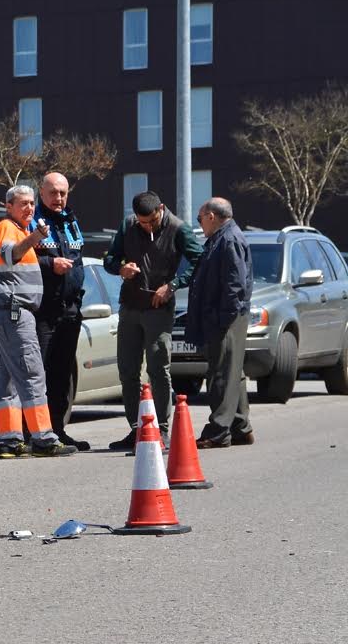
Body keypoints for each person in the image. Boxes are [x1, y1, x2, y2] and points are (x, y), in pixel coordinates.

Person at [102, 191, 204, 450]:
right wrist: (121, 268)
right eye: (142, 222)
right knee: (127, 371)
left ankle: (162, 427)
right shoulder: (128, 225)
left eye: (151, 220)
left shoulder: (179, 229)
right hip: (129, 306)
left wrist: (173, 285)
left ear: (161, 208)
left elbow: (199, 259)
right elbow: (110, 259)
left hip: (158, 308)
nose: (147, 225)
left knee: (158, 369)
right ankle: (136, 428)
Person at [0, 185, 77, 458]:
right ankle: (44, 438)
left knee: (9, 378)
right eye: (23, 203)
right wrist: (36, 236)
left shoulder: (15, 230)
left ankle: (9, 441)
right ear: (8, 206)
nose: (29, 208)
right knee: (33, 374)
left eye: (32, 203)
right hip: (14, 313)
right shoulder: (7, 228)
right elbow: (11, 254)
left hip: (7, 312)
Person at [185, 197, 254, 448]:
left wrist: (222, 319)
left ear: (211, 217)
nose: (199, 223)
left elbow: (235, 285)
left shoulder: (228, 239)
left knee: (221, 373)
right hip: (225, 316)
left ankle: (218, 431)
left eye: (199, 218)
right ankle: (240, 426)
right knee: (233, 372)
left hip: (226, 318)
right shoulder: (222, 238)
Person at [32, 172, 90, 451]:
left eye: (63, 193)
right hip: (43, 310)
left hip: (70, 310)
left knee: (62, 373)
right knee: (38, 373)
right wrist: (49, 265)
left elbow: (77, 260)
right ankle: (34, 434)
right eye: (53, 192)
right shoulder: (31, 220)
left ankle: (57, 430)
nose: (58, 198)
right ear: (41, 193)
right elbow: (21, 256)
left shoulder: (71, 221)